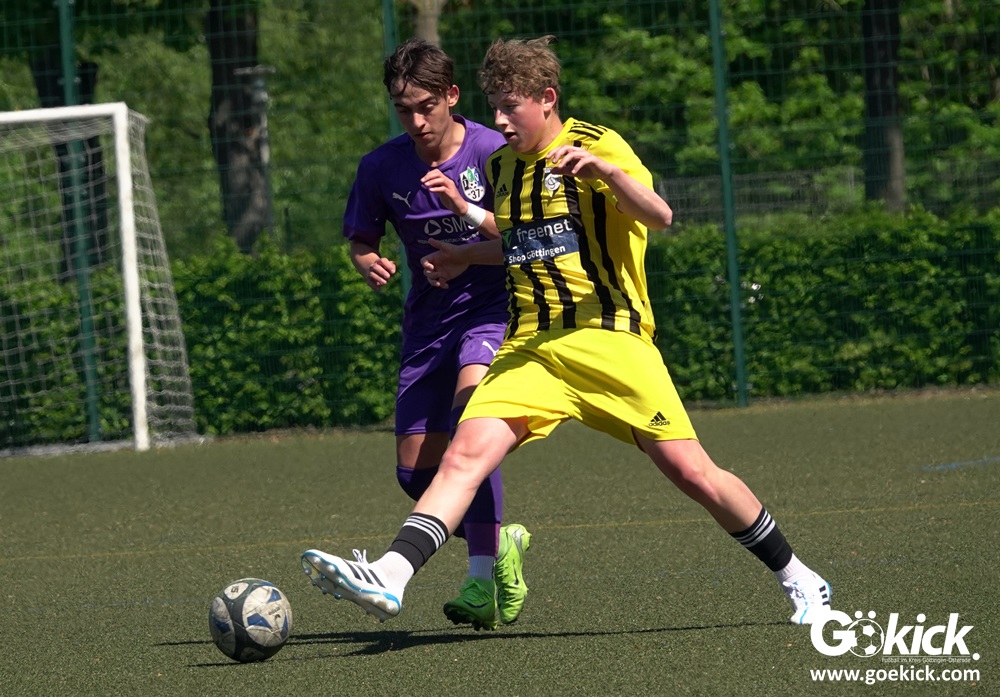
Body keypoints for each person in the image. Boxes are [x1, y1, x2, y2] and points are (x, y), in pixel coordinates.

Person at [302, 35, 832, 627]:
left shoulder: (595, 144)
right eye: (494, 107)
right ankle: (391, 575)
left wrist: (607, 173)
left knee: (693, 473)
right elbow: (518, 238)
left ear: (547, 99)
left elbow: (659, 215)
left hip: (609, 339)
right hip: (531, 345)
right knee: (465, 452)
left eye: (510, 107)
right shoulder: (502, 166)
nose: (499, 121)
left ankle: (798, 574)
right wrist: (463, 242)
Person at [300, 38, 531, 631]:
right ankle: (499, 540)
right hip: (428, 324)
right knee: (413, 473)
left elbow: (524, 240)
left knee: (469, 426)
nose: (417, 120)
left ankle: (480, 579)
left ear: (452, 95)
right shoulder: (381, 166)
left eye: (427, 106)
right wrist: (365, 261)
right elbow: (361, 239)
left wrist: (463, 253)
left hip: (492, 311)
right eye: (404, 110)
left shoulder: (492, 151)